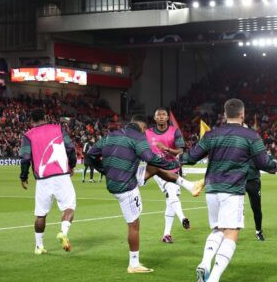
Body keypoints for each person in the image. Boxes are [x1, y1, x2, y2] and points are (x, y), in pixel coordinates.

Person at [181, 99, 277, 282]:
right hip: (232, 189)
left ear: (224, 115)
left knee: (218, 229)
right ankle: (214, 281)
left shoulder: (212, 134)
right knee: (232, 232)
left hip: (212, 189)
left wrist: (174, 158)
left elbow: (190, 158)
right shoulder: (250, 135)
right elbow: (262, 162)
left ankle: (204, 263)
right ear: (243, 115)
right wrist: (275, 166)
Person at [87, 115, 204, 273]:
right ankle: (133, 264)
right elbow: (149, 157)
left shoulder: (110, 135)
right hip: (125, 186)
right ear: (142, 128)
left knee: (153, 168)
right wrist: (172, 163)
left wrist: (104, 170)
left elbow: (90, 155)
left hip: (118, 178)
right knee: (134, 224)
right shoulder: (138, 137)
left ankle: (190, 186)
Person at [19, 108, 77, 254]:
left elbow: (25, 157)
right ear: (45, 117)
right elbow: (70, 147)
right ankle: (63, 232)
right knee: (69, 207)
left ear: (31, 120)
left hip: (43, 179)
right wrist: (72, 165)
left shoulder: (28, 135)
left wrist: (23, 176)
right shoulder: (58, 129)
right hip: (61, 175)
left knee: (41, 213)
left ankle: (39, 246)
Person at [146, 107, 190, 243]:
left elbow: (180, 151)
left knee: (170, 200)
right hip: (157, 169)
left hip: (173, 167)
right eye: (158, 115)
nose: (160, 116)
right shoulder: (147, 133)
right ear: (154, 118)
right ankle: (182, 217)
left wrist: (167, 149)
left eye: (163, 114)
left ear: (167, 118)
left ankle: (166, 234)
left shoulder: (174, 132)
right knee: (171, 192)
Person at [244, 124, 265, 241]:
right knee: (233, 207)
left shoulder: (255, 142)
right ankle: (229, 232)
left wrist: (271, 166)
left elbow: (262, 159)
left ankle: (258, 231)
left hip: (253, 180)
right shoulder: (236, 142)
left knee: (256, 207)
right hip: (239, 179)